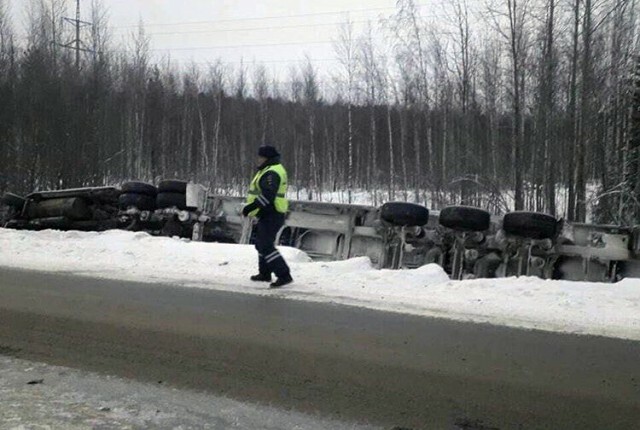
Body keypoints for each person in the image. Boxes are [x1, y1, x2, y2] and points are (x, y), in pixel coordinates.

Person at [242, 145, 293, 288]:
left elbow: (268, 196)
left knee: (265, 245)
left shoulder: (271, 173)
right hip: (267, 213)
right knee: (261, 244)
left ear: (267, 159)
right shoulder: (269, 170)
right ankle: (264, 273)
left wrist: (251, 207)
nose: (257, 160)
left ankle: (284, 275)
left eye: (260, 157)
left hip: (273, 213)